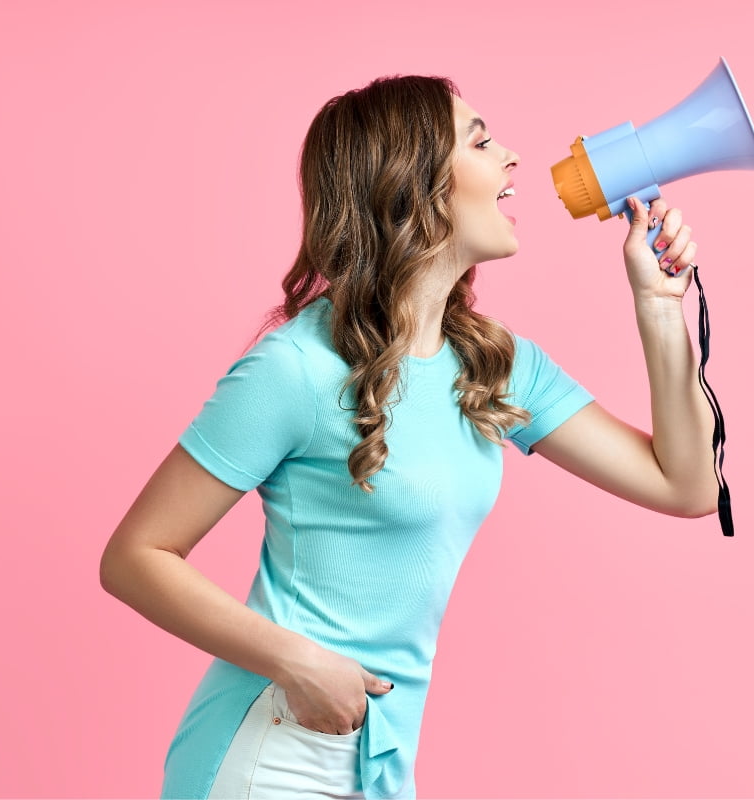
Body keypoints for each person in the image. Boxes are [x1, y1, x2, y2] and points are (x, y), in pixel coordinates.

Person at [99, 74, 719, 800]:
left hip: (380, 761)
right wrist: (299, 662)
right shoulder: (297, 369)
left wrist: (657, 306)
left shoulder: (497, 367)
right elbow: (134, 557)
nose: (513, 157)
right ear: (414, 181)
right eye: (482, 141)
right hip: (277, 748)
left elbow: (687, 485)